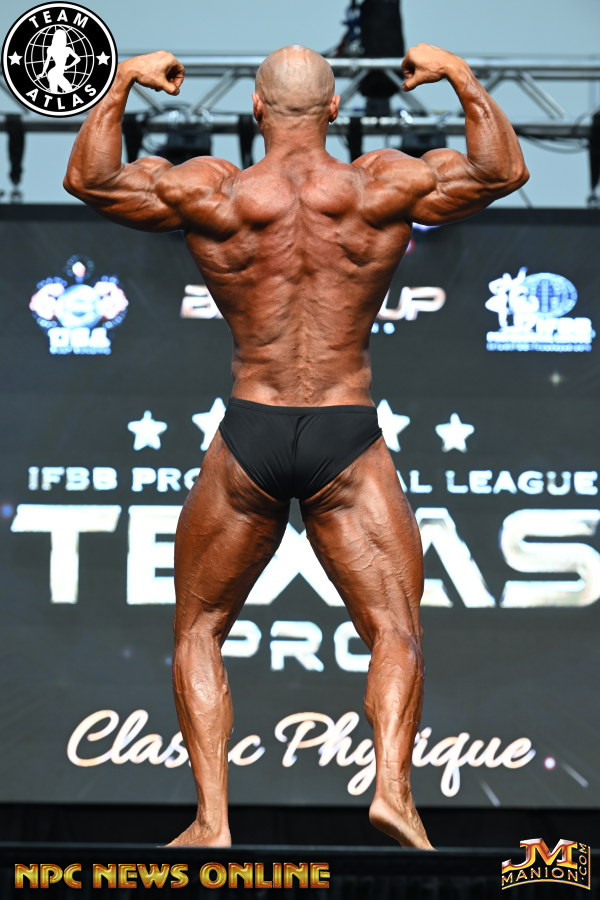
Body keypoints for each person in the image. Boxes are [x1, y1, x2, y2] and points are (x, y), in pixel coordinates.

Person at [64, 42, 529, 849]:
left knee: (199, 629)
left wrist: (123, 81)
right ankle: (394, 795)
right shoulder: (379, 186)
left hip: (254, 425)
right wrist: (458, 75)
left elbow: (91, 179)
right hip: (346, 431)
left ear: (256, 109)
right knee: (395, 629)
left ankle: (212, 820)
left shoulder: (215, 190)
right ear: (335, 110)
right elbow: (501, 170)